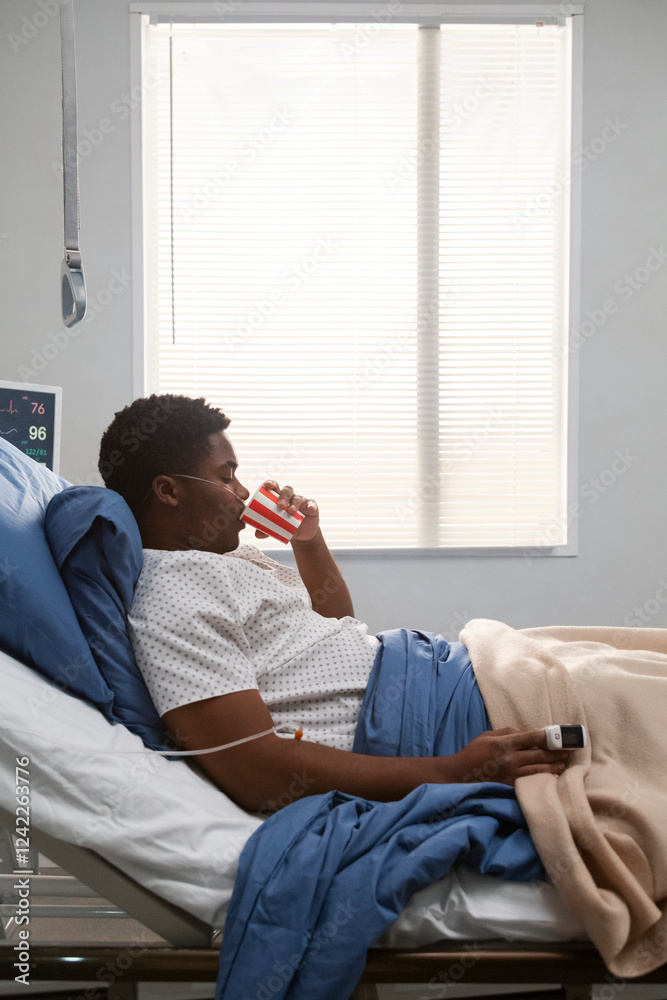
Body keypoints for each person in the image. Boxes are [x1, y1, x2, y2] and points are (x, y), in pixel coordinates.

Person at [98, 394, 567, 815]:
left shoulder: (226, 559)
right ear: (168, 491)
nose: (242, 492)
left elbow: (336, 622)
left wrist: (309, 541)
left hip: (434, 670)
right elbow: (253, 767)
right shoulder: (173, 595)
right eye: (227, 477)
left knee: (586, 662)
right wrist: (453, 772)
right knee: (596, 688)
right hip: (423, 714)